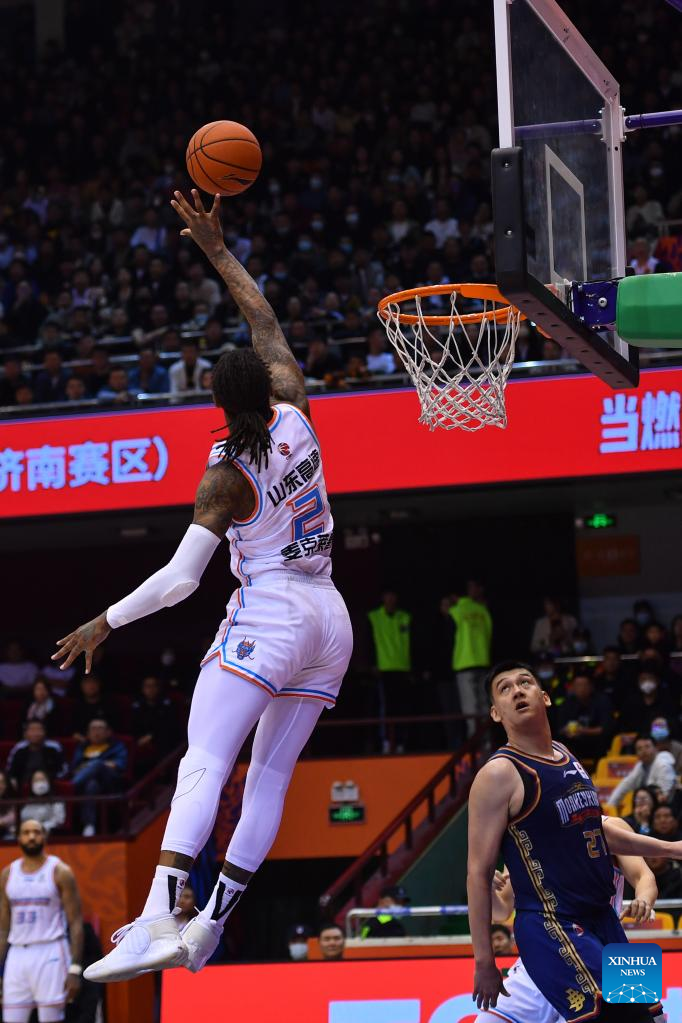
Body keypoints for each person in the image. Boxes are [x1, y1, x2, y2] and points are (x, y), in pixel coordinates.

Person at [52, 188, 353, 983]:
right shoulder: (295, 408)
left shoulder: (226, 474)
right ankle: (210, 922)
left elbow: (182, 579)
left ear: (219, 403)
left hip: (273, 613)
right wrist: (219, 252)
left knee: (205, 761)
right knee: (271, 775)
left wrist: (106, 620)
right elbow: (265, 320)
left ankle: (158, 913)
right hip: (331, 617)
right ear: (268, 386)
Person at [467, 659, 671, 1021]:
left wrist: (672, 849)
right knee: (615, 1017)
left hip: (603, 920)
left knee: (653, 1017)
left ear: (545, 697)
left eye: (525, 682)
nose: (517, 691)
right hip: (554, 924)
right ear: (496, 713)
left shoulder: (567, 756)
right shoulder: (499, 773)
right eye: (505, 689)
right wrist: (484, 960)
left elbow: (603, 831)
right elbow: (478, 873)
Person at [477, 814, 669, 1023]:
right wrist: (486, 886)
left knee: (656, 1019)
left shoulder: (609, 825)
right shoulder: (521, 837)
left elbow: (644, 876)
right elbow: (502, 911)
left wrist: (643, 899)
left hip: (603, 947)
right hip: (543, 953)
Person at [0, 819, 83, 1023]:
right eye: (26, 832)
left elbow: (75, 922)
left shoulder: (60, 871)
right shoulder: (8, 874)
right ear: (18, 838)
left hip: (51, 951)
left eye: (36, 832)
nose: (31, 837)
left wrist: (75, 968)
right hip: (17, 954)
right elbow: (3, 928)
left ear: (44, 836)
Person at [368, 591, 412, 754]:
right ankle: (387, 742)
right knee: (386, 708)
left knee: (403, 708)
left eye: (393, 595)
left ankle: (400, 743)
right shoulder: (374, 617)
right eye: (388, 595)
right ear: (383, 598)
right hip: (384, 670)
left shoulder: (405, 617)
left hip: (403, 669)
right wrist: (373, 664)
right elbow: (368, 642)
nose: (391, 599)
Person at [449, 580, 492, 738]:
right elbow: (489, 633)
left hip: (464, 663)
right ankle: (486, 742)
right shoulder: (483, 610)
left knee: (471, 709)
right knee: (484, 707)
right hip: (482, 662)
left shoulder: (455, 611)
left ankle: (475, 744)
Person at [71, 719, 128, 837]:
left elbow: (119, 765)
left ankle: (71, 786)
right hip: (88, 786)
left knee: (97, 764)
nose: (96, 732)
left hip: (110, 784)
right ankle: (89, 825)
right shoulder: (83, 747)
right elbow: (75, 768)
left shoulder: (116, 746)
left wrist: (94, 765)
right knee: (92, 785)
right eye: (93, 729)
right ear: (88, 733)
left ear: (108, 732)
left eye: (100, 728)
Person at [556, 671, 614, 763]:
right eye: (578, 685)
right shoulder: (567, 703)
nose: (582, 688)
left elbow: (604, 729)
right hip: (575, 742)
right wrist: (566, 731)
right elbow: (560, 728)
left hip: (595, 742)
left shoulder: (602, 701)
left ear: (591, 687)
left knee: (602, 743)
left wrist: (583, 731)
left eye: (585, 685)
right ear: (573, 687)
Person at [609, 734, 677, 810]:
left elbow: (664, 797)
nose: (644, 751)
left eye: (647, 747)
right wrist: (610, 807)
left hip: (665, 809)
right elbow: (624, 785)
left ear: (656, 748)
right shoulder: (640, 766)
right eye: (639, 749)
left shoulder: (664, 765)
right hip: (647, 808)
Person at [6, 722, 66, 791]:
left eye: (39, 730)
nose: (35, 733)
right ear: (25, 734)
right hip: (23, 786)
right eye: (32, 730)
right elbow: (11, 771)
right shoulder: (19, 750)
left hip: (49, 786)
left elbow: (63, 770)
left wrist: (50, 779)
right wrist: (13, 779)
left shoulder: (53, 749)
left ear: (44, 733)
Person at [20, 771, 66, 835]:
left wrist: (41, 827)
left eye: (42, 779)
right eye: (36, 780)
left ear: (48, 782)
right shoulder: (27, 801)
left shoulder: (57, 801)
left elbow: (59, 821)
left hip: (49, 834)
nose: (40, 783)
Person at [0, 771, 15, 840]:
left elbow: (12, 817)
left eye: (2, 782)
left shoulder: (11, 801)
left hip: (6, 835)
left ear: (6, 785)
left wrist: (2, 822)